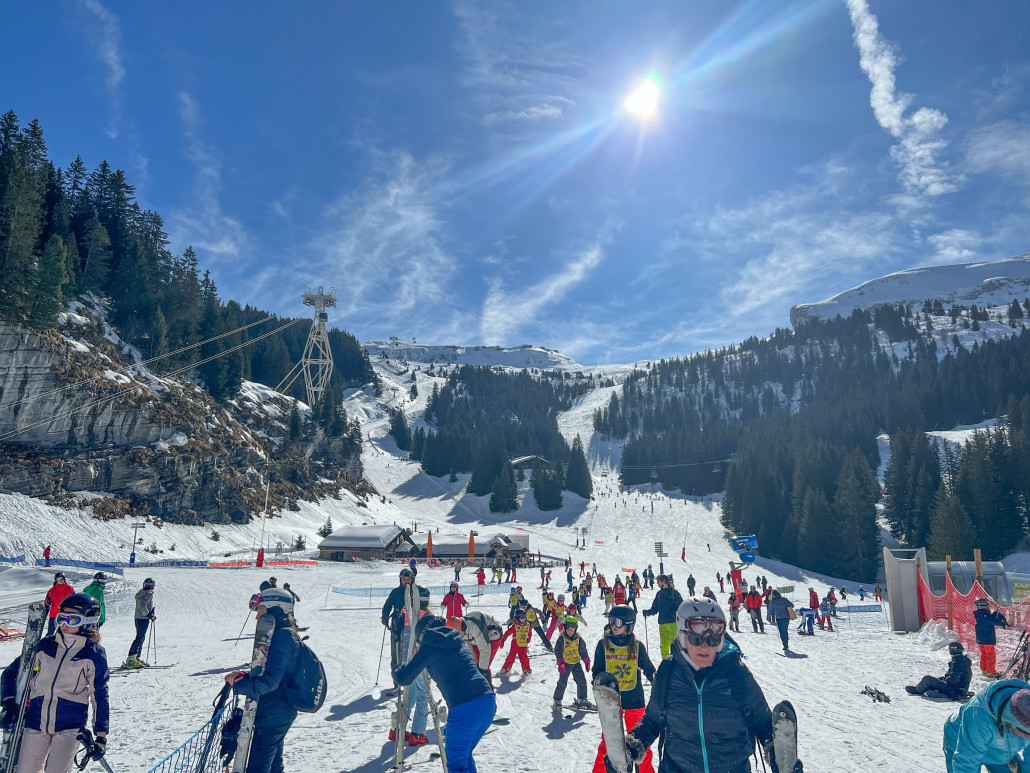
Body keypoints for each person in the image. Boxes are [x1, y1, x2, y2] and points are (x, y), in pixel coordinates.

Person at [623, 597, 799, 773]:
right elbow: (653, 721)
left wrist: (779, 755)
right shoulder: (668, 672)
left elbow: (762, 721)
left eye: (713, 640)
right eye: (696, 639)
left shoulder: (735, 673)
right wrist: (630, 747)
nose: (705, 647)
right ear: (683, 637)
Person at [0, 593, 110, 773]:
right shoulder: (46, 645)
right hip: (35, 722)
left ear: (88, 621)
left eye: (73, 620)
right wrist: (9, 702)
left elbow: (99, 694)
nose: (65, 624)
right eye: (62, 618)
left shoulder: (93, 654)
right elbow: (12, 672)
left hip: (69, 726)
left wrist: (101, 736)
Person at [394, 616, 496, 773]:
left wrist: (396, 669)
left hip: (464, 708)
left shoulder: (429, 647)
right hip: (487, 701)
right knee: (464, 756)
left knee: (456, 765)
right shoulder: (458, 640)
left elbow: (404, 678)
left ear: (422, 635)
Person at [224, 588, 302, 773]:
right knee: (273, 763)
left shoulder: (283, 636)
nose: (257, 617)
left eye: (261, 610)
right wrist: (245, 676)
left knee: (258, 767)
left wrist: (241, 685)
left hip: (276, 710)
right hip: (275, 708)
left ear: (276, 607)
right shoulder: (280, 633)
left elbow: (270, 682)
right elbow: (271, 671)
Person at [591, 605, 656, 773]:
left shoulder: (636, 645)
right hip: (612, 704)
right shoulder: (603, 645)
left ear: (628, 625)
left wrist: (659, 686)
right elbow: (597, 671)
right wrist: (600, 688)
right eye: (611, 621)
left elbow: (649, 669)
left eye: (618, 622)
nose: (613, 625)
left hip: (634, 700)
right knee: (608, 745)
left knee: (640, 745)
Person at [943, 680, 1030, 773]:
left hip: (1001, 749)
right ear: (1010, 723)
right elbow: (966, 761)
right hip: (963, 741)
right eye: (1026, 733)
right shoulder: (978, 713)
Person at [390, 587, 432, 746]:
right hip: (419, 661)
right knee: (422, 696)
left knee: (410, 695)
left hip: (406, 660)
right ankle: (418, 733)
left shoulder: (407, 613)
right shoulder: (426, 617)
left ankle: (397, 730)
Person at [381, 568, 422, 674]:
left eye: (408, 579)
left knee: (413, 651)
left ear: (412, 579)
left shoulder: (417, 592)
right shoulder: (395, 592)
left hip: (414, 626)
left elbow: (424, 607)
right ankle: (397, 680)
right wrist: (385, 616)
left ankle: (412, 679)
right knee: (396, 653)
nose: (406, 581)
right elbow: (387, 605)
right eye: (404, 579)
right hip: (398, 625)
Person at [552, 616, 593, 712]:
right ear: (564, 628)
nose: (570, 631)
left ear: (576, 629)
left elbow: (582, 650)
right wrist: (561, 663)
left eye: (572, 629)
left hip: (576, 663)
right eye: (568, 629)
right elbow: (558, 651)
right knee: (562, 682)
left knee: (581, 681)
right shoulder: (562, 638)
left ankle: (582, 699)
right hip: (566, 663)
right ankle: (557, 700)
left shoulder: (578, 638)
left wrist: (587, 661)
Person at [906, 641, 972, 700]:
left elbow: (953, 680)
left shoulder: (958, 662)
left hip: (954, 691)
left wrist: (944, 681)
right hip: (958, 690)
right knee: (934, 682)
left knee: (927, 679)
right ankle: (938, 693)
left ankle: (918, 690)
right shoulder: (962, 661)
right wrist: (941, 679)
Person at [642, 574, 683, 659]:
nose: (657, 583)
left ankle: (676, 664)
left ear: (664, 581)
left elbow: (681, 607)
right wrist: (647, 612)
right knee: (664, 646)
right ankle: (665, 664)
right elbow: (655, 608)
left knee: (675, 646)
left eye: (658, 581)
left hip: (673, 623)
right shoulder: (659, 594)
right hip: (663, 624)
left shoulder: (674, 593)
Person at [460, 611, 504, 684]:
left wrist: (483, 671)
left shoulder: (474, 626)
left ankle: (489, 692)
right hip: (478, 638)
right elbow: (468, 645)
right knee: (476, 665)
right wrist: (474, 663)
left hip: (493, 635)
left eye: (458, 633)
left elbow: (485, 648)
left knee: (483, 665)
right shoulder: (461, 629)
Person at [124, 577, 156, 669]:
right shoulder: (148, 594)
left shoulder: (141, 593)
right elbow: (143, 606)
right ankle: (131, 659)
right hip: (143, 618)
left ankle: (136, 657)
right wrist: (149, 615)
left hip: (138, 617)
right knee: (139, 638)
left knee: (140, 637)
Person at [974, 598, 1009, 677]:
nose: (988, 607)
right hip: (987, 639)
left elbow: (990, 619)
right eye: (987, 606)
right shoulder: (985, 615)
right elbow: (994, 621)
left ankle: (984, 669)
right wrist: (1000, 620)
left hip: (981, 638)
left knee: (984, 654)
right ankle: (990, 671)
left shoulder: (980, 615)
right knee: (990, 655)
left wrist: (995, 614)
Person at [499, 607, 534, 676]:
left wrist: (529, 638)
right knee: (511, 657)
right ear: (517, 618)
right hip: (515, 644)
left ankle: (526, 670)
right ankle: (506, 668)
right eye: (521, 617)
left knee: (524, 658)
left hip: (523, 645)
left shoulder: (527, 625)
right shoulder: (515, 626)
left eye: (524, 617)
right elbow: (508, 632)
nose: (523, 619)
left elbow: (529, 633)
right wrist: (503, 639)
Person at [44, 572, 75, 637]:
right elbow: (47, 602)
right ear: (56, 580)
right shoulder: (51, 591)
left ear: (64, 579)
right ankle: (47, 644)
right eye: (58, 579)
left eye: (61, 579)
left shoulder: (70, 589)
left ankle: (60, 644)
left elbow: (74, 600)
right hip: (54, 614)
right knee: (50, 632)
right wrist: (46, 606)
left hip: (66, 614)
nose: (60, 581)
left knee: (63, 632)